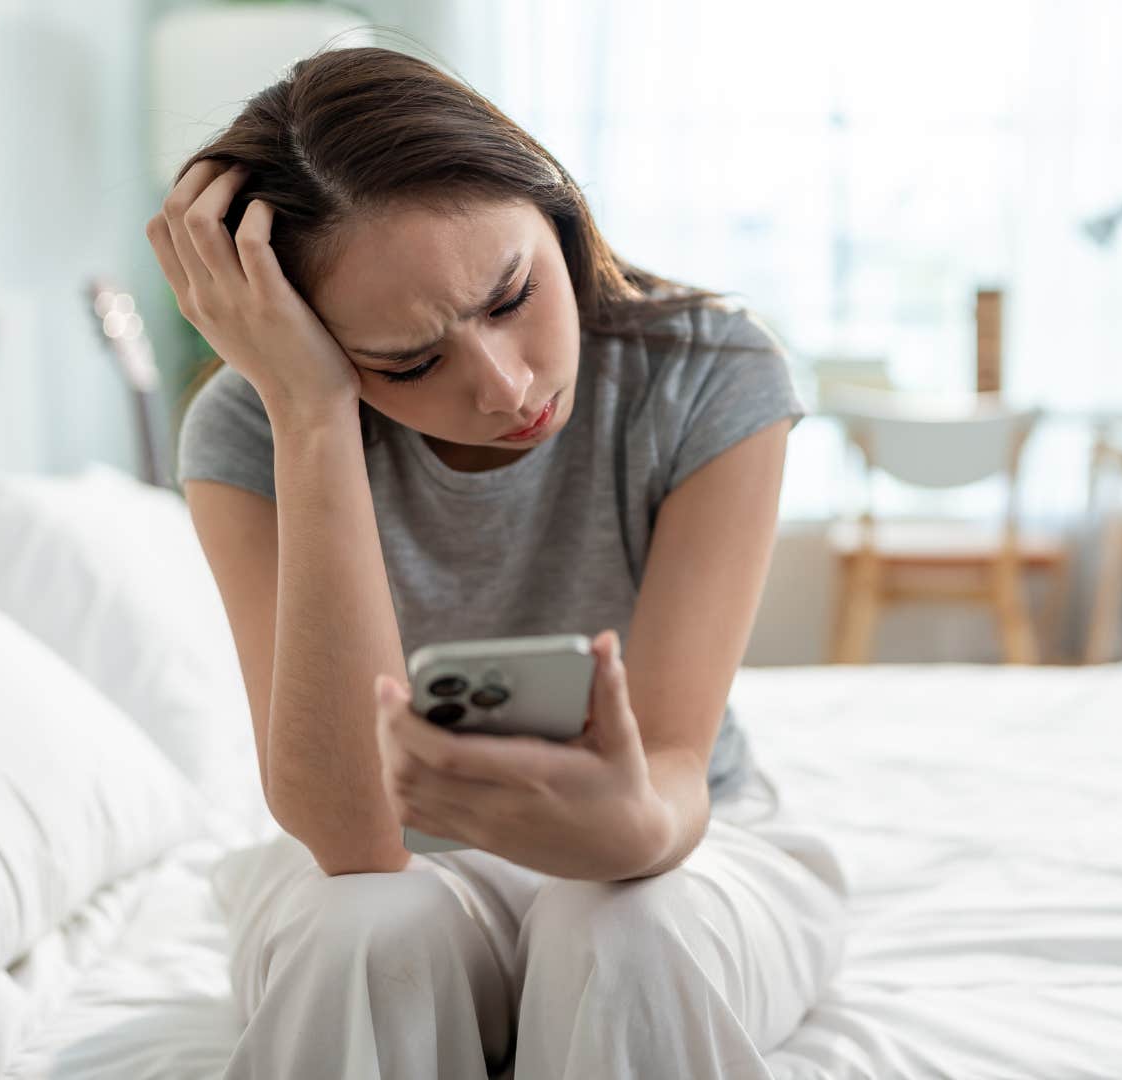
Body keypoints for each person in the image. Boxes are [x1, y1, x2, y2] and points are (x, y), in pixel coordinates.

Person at [153, 45, 847, 1080]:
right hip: (407, 869)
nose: (506, 386)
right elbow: (355, 838)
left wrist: (628, 832)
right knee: (364, 934)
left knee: (625, 935)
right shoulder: (251, 431)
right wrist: (310, 414)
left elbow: (672, 765)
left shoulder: (713, 372)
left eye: (512, 295)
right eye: (410, 361)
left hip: (684, 834)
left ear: (555, 207)